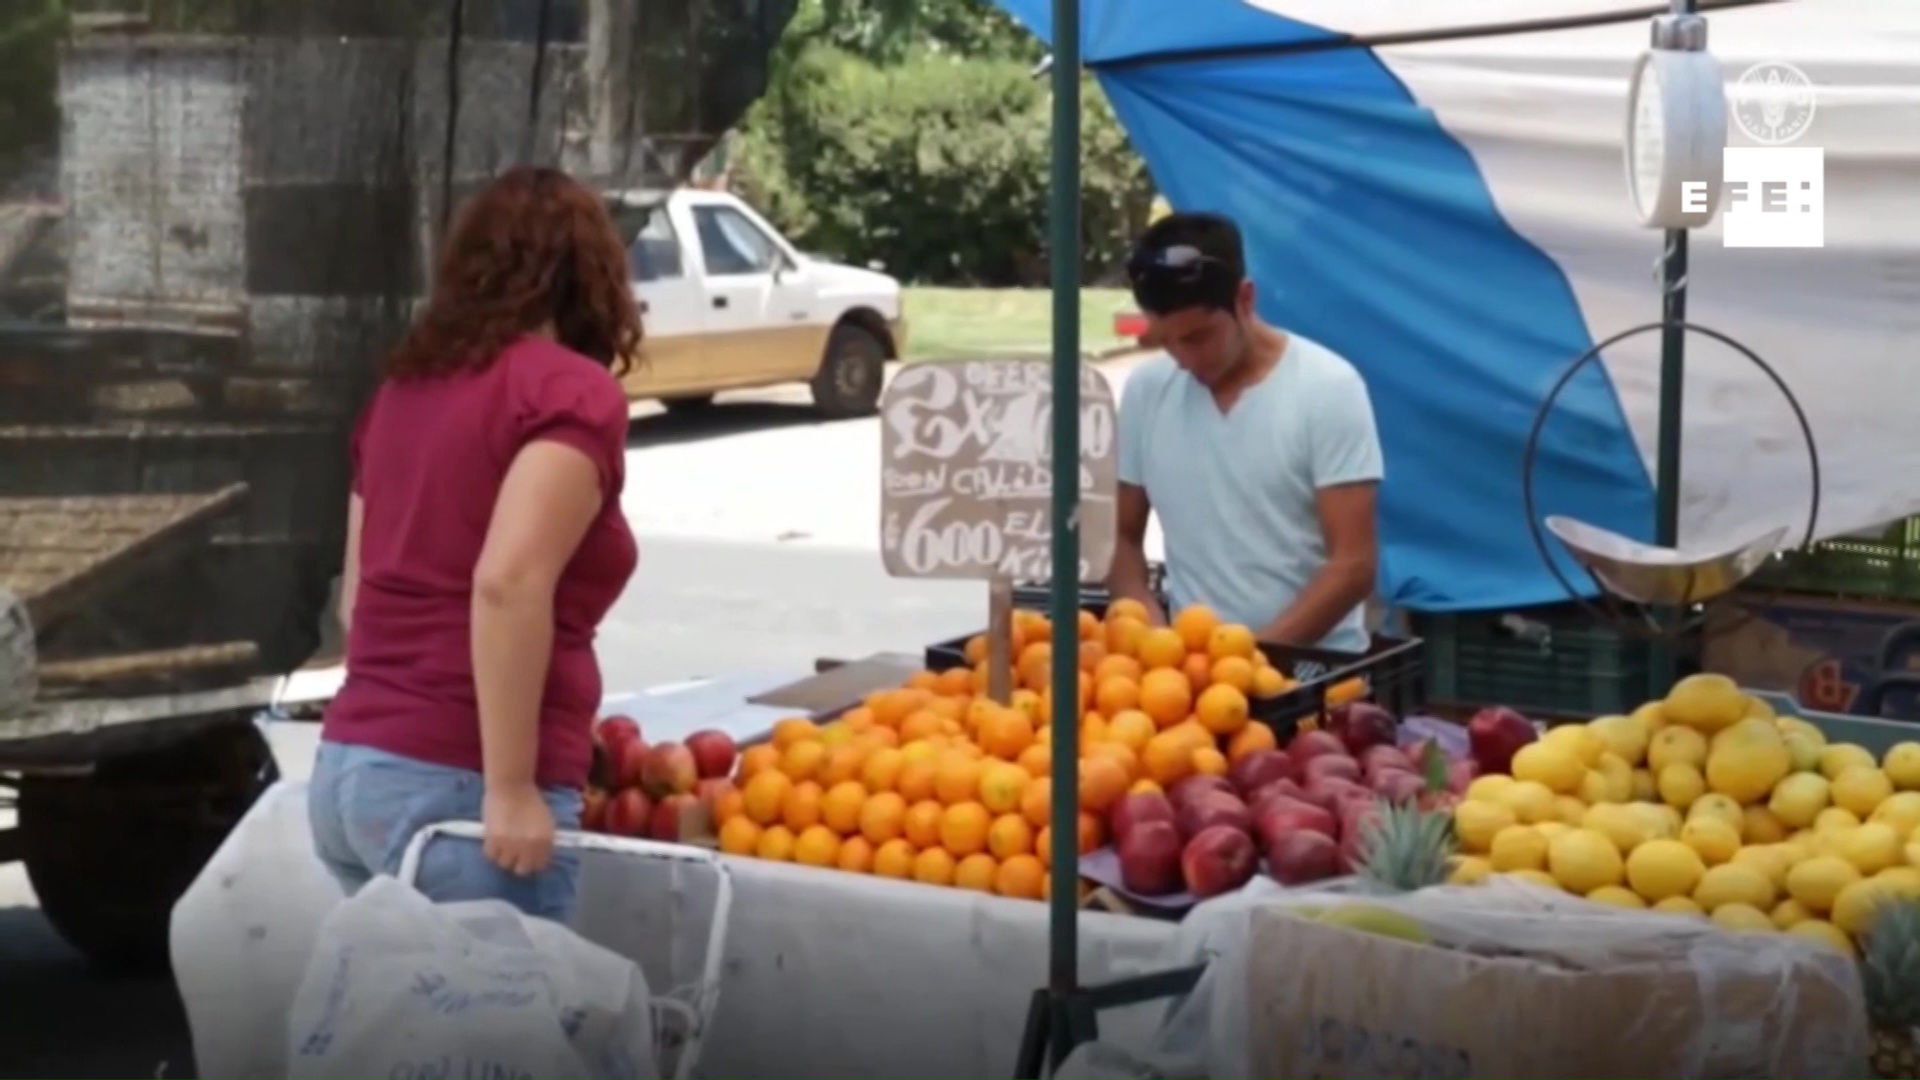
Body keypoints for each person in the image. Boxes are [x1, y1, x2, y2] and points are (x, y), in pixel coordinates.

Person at [308, 166, 643, 923]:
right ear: (590, 276)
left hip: (351, 774)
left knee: (402, 1030)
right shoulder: (569, 393)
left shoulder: (402, 394)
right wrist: (512, 785)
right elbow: (508, 583)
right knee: (502, 1038)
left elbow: (360, 604)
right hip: (455, 792)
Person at [1106, 211, 1383, 653]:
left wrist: (1248, 661)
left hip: (1314, 673)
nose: (1183, 358)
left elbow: (1352, 564)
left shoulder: (1328, 388)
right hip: (1188, 687)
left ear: (1245, 299)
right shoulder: (1147, 392)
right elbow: (1119, 536)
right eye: (1166, 339)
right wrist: (1151, 634)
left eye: (1199, 337)